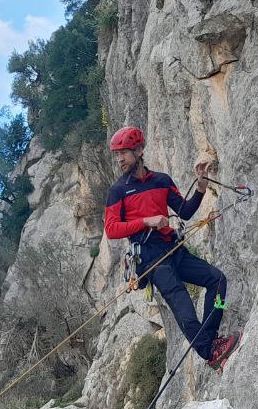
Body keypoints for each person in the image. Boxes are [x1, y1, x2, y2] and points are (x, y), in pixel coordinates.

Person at [103, 125, 240, 368]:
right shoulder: (118, 190)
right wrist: (146, 221)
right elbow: (112, 229)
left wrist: (200, 187)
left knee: (218, 281)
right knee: (184, 308)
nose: (119, 159)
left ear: (138, 150)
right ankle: (210, 352)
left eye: (123, 152)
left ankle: (211, 340)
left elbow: (185, 211)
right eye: (117, 154)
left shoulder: (162, 181)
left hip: (173, 249)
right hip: (149, 258)